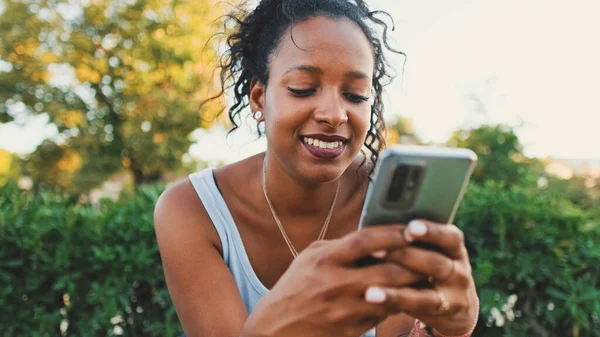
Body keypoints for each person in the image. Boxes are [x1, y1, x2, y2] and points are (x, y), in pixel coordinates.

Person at [153, 0, 480, 336]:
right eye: (303, 88)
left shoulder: (393, 202)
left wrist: (452, 330)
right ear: (258, 97)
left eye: (355, 95)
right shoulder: (193, 210)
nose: (334, 114)